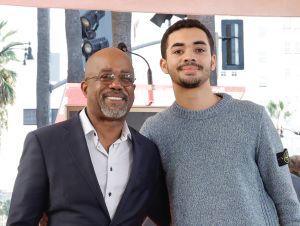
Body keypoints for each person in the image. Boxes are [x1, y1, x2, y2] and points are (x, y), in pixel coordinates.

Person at [140, 19, 300, 225]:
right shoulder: (154, 131)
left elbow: (285, 196)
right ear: (164, 64)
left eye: (199, 49)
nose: (189, 56)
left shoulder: (254, 117)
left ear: (213, 61)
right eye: (178, 51)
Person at [7, 47, 170, 226]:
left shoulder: (147, 152)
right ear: (85, 88)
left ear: (133, 88)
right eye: (106, 76)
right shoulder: (44, 144)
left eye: (126, 78)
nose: (117, 84)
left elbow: (169, 216)